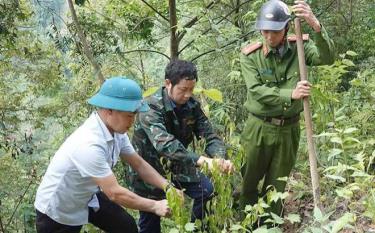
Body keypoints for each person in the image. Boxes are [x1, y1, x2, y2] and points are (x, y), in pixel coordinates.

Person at [34, 77, 176, 233]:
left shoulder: (117, 132)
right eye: (129, 116)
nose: (133, 121)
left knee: (126, 227)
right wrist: (155, 206)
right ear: (109, 111)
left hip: (88, 196)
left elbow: (138, 164)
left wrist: (167, 186)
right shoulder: (88, 144)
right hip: (58, 210)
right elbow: (114, 193)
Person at [239, 0, 335, 217]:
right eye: (265, 31)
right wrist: (290, 94)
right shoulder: (250, 55)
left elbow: (327, 58)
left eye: (274, 31)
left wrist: (315, 25)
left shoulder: (300, 47)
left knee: (277, 186)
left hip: (288, 130)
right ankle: (246, 224)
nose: (269, 36)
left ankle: (270, 226)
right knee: (248, 182)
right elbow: (256, 91)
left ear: (287, 28)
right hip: (258, 129)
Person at [129, 59, 234, 233]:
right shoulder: (150, 107)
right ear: (168, 83)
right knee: (151, 222)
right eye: (183, 90)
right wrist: (202, 160)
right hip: (149, 170)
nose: (187, 95)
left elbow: (210, 136)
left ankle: (195, 229)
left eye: (191, 90)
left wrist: (219, 159)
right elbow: (165, 145)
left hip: (179, 165)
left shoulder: (192, 106)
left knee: (207, 191)